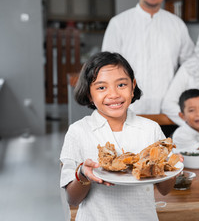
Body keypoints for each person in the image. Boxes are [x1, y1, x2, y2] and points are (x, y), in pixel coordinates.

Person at [60, 52, 177, 220]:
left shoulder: (150, 129)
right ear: (89, 94)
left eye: (121, 85)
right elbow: (72, 199)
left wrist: (169, 166)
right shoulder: (78, 132)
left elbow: (165, 190)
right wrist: (83, 173)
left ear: (133, 86)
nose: (113, 94)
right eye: (101, 87)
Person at [101, 0, 194, 115]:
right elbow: (106, 69)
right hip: (129, 111)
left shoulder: (177, 25)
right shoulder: (118, 23)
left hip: (167, 113)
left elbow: (192, 65)